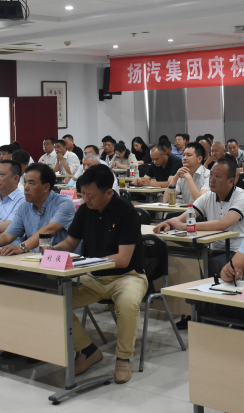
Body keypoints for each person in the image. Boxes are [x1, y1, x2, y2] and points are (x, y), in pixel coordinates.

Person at [51, 164, 147, 384]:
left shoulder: (126, 212)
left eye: (90, 195)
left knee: (128, 304)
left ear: (108, 192)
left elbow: (123, 259)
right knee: (55, 300)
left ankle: (123, 358)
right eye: (83, 194)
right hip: (94, 277)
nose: (85, 200)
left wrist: (89, 263)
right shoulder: (85, 210)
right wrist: (52, 250)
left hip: (128, 276)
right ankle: (88, 351)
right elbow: (70, 242)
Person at [154, 158, 244, 276]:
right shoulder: (208, 196)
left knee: (211, 266)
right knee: (189, 263)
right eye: (211, 175)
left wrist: (184, 226)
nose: (212, 180)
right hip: (213, 249)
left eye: (217, 176)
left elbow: (222, 224)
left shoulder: (242, 196)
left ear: (230, 181)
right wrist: (168, 223)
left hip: (239, 251)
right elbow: (183, 217)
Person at [0, 163, 76, 254]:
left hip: (60, 259)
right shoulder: (24, 206)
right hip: (33, 259)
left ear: (46, 187)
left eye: (31, 183)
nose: (26, 187)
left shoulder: (64, 203)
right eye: (25, 182)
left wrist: (22, 247)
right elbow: (7, 236)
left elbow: (49, 230)